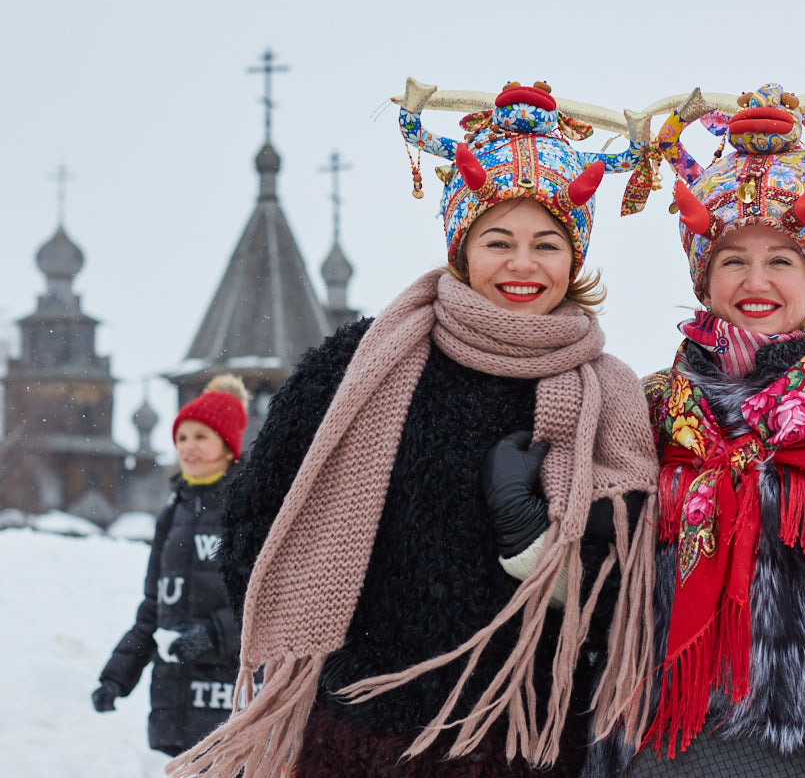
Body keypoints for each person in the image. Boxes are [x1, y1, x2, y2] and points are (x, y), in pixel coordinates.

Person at [166, 80, 660, 778]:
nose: (523, 266)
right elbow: (259, 516)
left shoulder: (607, 402)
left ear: (574, 258)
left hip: (522, 742)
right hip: (357, 737)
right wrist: (342, 658)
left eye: (546, 244)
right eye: (498, 240)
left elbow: (626, 601)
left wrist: (530, 544)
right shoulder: (361, 364)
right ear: (461, 247)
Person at [586, 83, 805, 778]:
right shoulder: (648, 410)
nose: (757, 280)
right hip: (651, 757)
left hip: (803, 761)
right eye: (732, 259)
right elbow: (601, 607)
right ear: (704, 277)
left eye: (782, 258)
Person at [92, 375, 250, 757]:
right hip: (173, 705)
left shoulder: (248, 512)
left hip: (228, 704)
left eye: (201, 436)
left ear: (228, 445)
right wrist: (117, 677)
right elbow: (154, 609)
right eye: (182, 437)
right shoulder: (170, 516)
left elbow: (266, 605)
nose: (188, 447)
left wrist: (207, 638)